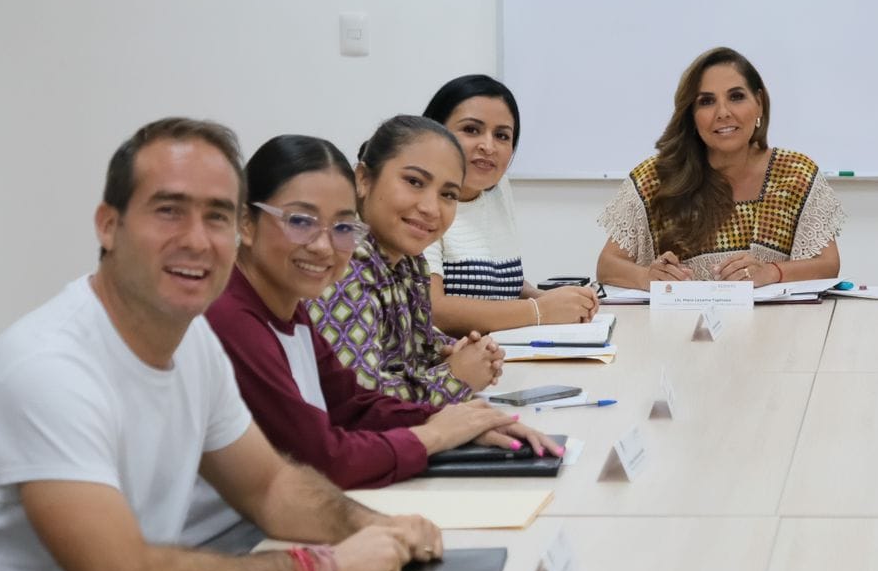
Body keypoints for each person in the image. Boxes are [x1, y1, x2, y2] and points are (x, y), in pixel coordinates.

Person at [0, 118, 444, 571]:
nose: (197, 239)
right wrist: (323, 567)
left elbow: (272, 486)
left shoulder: (192, 342)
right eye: (168, 211)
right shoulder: (50, 368)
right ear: (108, 225)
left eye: (215, 215)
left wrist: (378, 529)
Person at [207, 134, 561, 489]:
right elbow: (323, 459)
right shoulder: (231, 319)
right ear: (246, 222)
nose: (323, 247)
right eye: (300, 222)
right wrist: (435, 433)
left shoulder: (287, 308)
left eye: (342, 228)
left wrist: (455, 420)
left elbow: (352, 403)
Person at [596, 47, 844, 286]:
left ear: (759, 102)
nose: (723, 112)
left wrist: (771, 272)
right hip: (679, 317)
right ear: (691, 115)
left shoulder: (796, 174)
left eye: (736, 97)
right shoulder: (657, 178)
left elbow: (828, 264)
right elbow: (607, 266)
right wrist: (647, 278)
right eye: (706, 101)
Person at [306, 116, 503, 406]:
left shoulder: (409, 261)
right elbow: (359, 400)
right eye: (414, 182)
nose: (430, 208)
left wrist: (464, 352)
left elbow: (416, 347)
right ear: (363, 179)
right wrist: (455, 378)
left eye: (448, 194)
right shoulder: (343, 262)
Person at [421, 75, 599, 332]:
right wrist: (539, 310)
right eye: (471, 129)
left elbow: (501, 285)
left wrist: (552, 299)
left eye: (502, 135)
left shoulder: (498, 190)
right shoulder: (421, 204)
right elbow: (433, 309)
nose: (488, 146)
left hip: (499, 348)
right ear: (434, 131)